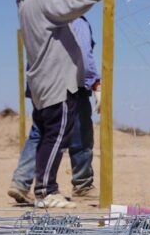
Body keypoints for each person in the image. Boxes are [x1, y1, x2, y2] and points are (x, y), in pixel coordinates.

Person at [15, 0, 136, 208]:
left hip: (44, 81)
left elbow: (68, 1)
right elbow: (70, 7)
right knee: (56, 138)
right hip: (57, 81)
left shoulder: (29, 0)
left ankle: (39, 186)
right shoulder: (46, 0)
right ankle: (46, 191)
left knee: (48, 135)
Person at [7, 13, 101, 204]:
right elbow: (83, 53)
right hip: (70, 84)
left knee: (40, 131)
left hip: (40, 83)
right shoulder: (76, 20)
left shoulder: (43, 18)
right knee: (80, 134)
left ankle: (21, 182)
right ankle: (82, 184)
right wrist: (94, 82)